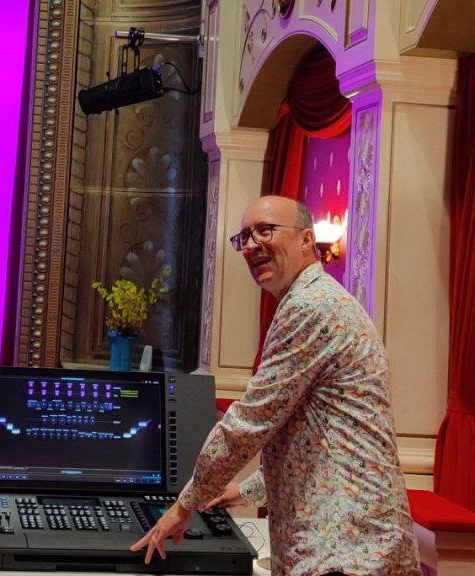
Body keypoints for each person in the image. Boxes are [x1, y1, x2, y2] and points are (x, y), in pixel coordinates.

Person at [130, 196, 420, 575]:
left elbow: (249, 423)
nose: (251, 244)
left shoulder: (310, 306)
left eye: (265, 230)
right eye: (245, 236)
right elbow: (317, 436)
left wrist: (185, 505)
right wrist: (242, 491)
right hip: (358, 547)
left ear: (306, 241)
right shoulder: (317, 299)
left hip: (347, 551)